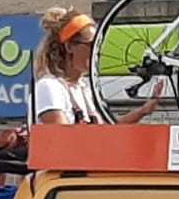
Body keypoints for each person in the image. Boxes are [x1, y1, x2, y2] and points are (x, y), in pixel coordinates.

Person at [30, 7, 163, 125]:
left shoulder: (83, 89)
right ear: (70, 46)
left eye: (98, 46)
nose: (97, 52)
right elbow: (61, 138)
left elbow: (106, 131)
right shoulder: (49, 86)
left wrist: (143, 110)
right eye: (91, 45)